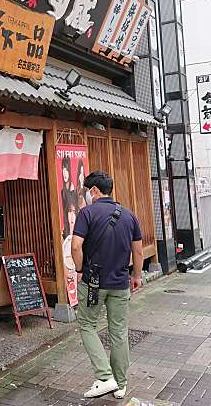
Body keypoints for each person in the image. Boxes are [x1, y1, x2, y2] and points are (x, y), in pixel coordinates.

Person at [71, 171, 143, 400]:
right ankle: (120, 385)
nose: (86, 196)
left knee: (87, 325)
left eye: (86, 192)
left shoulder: (87, 213)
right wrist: (137, 276)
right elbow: (138, 251)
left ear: (93, 191)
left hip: (93, 282)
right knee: (119, 332)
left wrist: (81, 268)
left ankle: (104, 376)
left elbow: (75, 246)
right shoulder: (129, 215)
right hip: (121, 282)